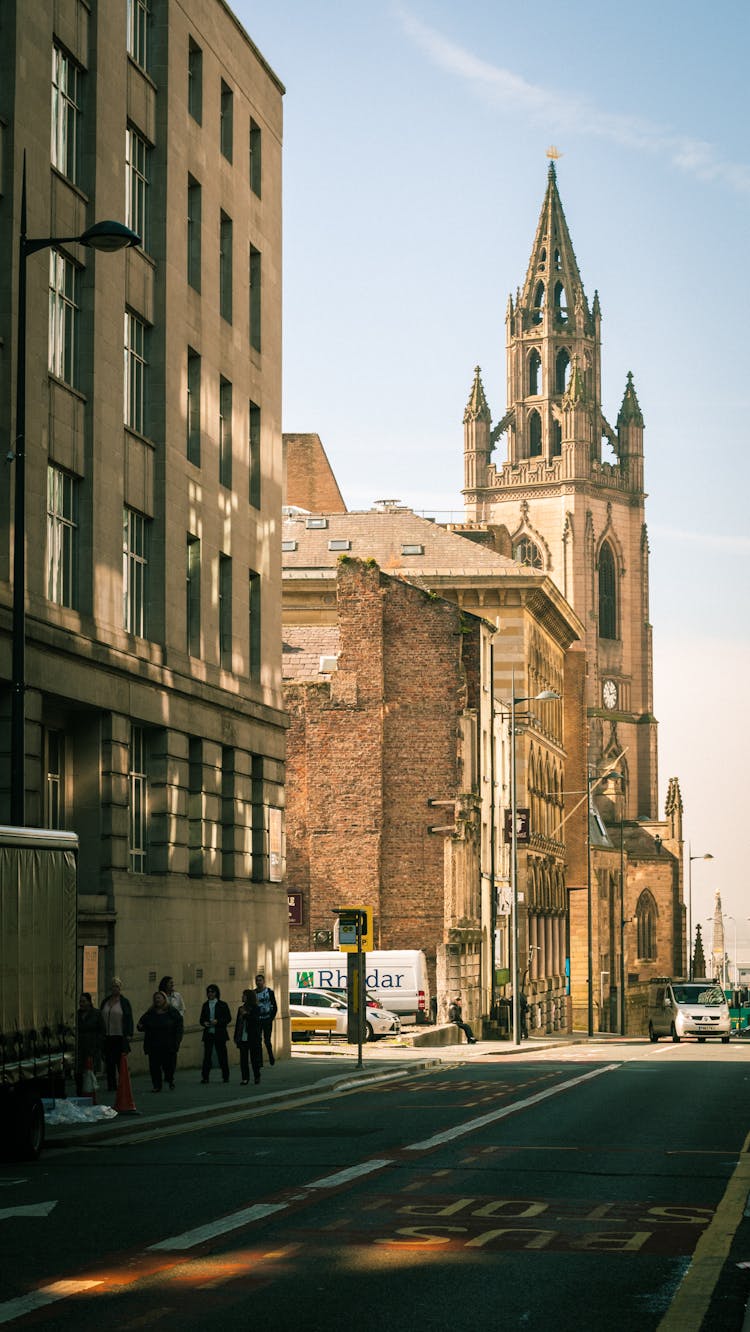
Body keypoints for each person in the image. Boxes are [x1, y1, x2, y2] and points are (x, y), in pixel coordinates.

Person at [100, 977, 134, 1090]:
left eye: (117, 987)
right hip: (108, 1036)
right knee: (109, 1062)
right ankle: (111, 1085)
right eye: (113, 987)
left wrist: (129, 1033)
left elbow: (129, 1018)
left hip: (119, 1036)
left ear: (120, 988)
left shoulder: (124, 1002)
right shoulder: (105, 1001)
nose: (115, 989)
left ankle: (123, 1084)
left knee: (120, 1062)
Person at [199, 983, 232, 1083]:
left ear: (216, 993)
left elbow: (228, 1018)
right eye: (208, 992)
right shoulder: (205, 1005)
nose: (210, 994)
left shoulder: (222, 1004)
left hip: (220, 1033)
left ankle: (225, 1076)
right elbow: (201, 1019)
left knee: (222, 1055)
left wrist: (218, 1021)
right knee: (207, 1056)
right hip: (209, 1033)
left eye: (212, 992)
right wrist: (204, 1023)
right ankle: (205, 1077)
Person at [75, 992, 105, 1095]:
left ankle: (90, 1094)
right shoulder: (77, 1015)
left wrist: (98, 1044)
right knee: (79, 1074)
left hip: (92, 1047)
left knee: (90, 1073)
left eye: (84, 1001)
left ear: (89, 1002)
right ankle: (80, 1094)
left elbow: (102, 1030)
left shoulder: (96, 1014)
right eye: (80, 1001)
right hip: (80, 1048)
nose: (81, 1004)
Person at [158, 975, 186, 1080]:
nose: (172, 985)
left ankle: (170, 1073)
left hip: (175, 1027)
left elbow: (182, 1008)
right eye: (170, 983)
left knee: (173, 1050)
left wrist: (178, 1018)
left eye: (173, 983)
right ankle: (166, 1070)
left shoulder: (177, 996)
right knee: (164, 1051)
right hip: (164, 1028)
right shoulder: (160, 996)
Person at [234, 989, 263, 1085]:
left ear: (248, 997)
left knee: (254, 1059)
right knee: (243, 1059)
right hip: (243, 1037)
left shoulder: (255, 1008)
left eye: (244, 995)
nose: (242, 997)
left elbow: (255, 1021)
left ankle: (257, 1076)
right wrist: (236, 1037)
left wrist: (246, 1015)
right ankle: (245, 1078)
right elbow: (238, 1024)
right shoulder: (240, 1008)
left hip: (252, 1037)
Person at [255, 973, 278, 1065]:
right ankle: (260, 1060)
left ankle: (271, 1056)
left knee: (267, 1040)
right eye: (257, 980)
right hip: (258, 1020)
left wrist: (271, 1018)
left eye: (260, 980)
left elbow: (275, 1006)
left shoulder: (269, 992)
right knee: (258, 1040)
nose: (258, 982)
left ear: (264, 981)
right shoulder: (254, 993)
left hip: (267, 1019)